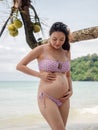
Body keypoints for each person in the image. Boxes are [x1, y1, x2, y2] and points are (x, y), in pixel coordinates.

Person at [16, 22, 73, 130]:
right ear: (50, 35)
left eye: (62, 39)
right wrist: (40, 75)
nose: (58, 42)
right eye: (55, 38)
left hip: (65, 98)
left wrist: (71, 90)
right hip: (47, 97)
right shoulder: (41, 49)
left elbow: (68, 75)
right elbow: (20, 66)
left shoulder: (66, 51)